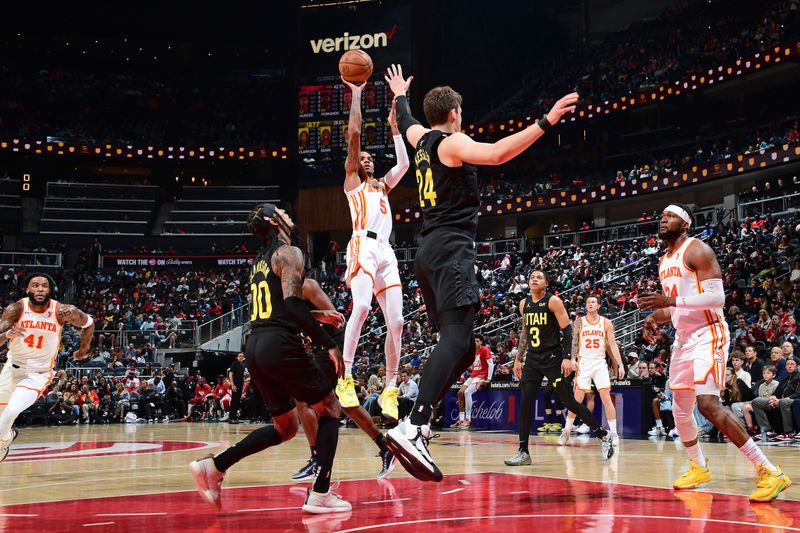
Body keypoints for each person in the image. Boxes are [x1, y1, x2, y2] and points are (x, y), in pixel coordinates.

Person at [383, 63, 578, 482]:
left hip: (426, 252)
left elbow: (407, 120)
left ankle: (419, 422)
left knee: (465, 348)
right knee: (456, 337)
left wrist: (400, 95)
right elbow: (498, 153)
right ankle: (412, 426)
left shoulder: (420, 139)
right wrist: (546, 121)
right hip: (452, 248)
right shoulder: (452, 143)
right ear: (454, 113)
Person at [190, 203, 349, 514]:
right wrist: (327, 342)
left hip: (256, 346)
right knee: (330, 407)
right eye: (284, 212)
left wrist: (317, 314)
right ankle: (320, 492)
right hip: (279, 344)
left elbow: (279, 308)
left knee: (285, 427)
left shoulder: (260, 261)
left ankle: (216, 466)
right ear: (276, 221)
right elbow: (290, 307)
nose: (290, 215)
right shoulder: (288, 253)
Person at [638, 203, 791, 502]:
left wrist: (668, 300)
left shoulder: (698, 250)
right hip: (683, 339)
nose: (663, 220)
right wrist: (655, 317)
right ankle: (697, 466)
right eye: (661, 216)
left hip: (709, 333)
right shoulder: (664, 260)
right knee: (681, 408)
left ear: (685, 224)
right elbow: (676, 307)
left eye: (669, 216)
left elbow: (716, 297)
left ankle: (769, 470)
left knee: (707, 403)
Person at [336, 77, 409, 422]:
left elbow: (405, 165)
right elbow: (353, 136)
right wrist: (356, 94)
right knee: (362, 306)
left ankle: (390, 391)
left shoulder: (382, 187)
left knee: (396, 322)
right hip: (361, 244)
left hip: (386, 252)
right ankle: (346, 378)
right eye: (361, 157)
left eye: (368, 158)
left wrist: (396, 129)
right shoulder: (353, 183)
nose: (365, 159)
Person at [504, 270, 614, 467]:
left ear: (546, 282)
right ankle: (523, 452)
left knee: (571, 402)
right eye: (531, 277)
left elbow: (568, 330)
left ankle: (603, 435)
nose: (534, 280)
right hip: (533, 360)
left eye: (539, 277)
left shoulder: (553, 301)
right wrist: (518, 359)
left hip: (553, 358)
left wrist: (566, 357)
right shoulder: (524, 304)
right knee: (526, 402)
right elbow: (525, 332)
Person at [291, 278, 396, 483]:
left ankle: (316, 459)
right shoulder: (287, 292)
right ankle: (386, 448)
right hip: (321, 348)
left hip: (332, 347)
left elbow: (335, 318)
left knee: (303, 400)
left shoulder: (307, 286)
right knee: (346, 404)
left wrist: (336, 352)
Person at [0, 273, 94, 461]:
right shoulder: (16, 309)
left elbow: (89, 323)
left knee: (11, 410)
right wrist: (8, 334)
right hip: (11, 369)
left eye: (44, 285)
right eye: (35, 285)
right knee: (3, 417)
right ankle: (8, 436)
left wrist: (83, 350)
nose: (40, 288)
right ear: (28, 289)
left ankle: (3, 442)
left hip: (37, 374)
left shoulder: (62, 311)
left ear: (50, 290)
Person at [560, 295, 625, 445]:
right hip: (584, 362)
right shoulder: (579, 322)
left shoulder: (606, 323)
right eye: (588, 302)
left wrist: (620, 364)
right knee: (577, 399)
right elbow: (574, 342)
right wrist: (572, 359)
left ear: (598, 305)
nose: (590, 304)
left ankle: (614, 433)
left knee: (606, 397)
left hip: (600, 362)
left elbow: (613, 345)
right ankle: (567, 430)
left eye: (593, 302)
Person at [452, 334, 492, 429]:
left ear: (481, 342)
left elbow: (491, 364)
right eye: (474, 341)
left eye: (477, 341)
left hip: (481, 376)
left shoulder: (485, 349)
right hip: (473, 375)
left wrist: (489, 379)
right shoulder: (473, 351)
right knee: (460, 393)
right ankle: (461, 419)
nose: (475, 342)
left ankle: (468, 419)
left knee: (467, 392)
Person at [227, 352, 246, 424]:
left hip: (240, 385)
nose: (241, 357)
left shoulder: (242, 365)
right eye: (239, 356)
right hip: (235, 385)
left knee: (237, 401)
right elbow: (230, 374)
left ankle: (234, 417)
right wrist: (232, 385)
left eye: (242, 356)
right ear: (237, 357)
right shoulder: (234, 364)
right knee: (234, 401)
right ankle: (231, 418)